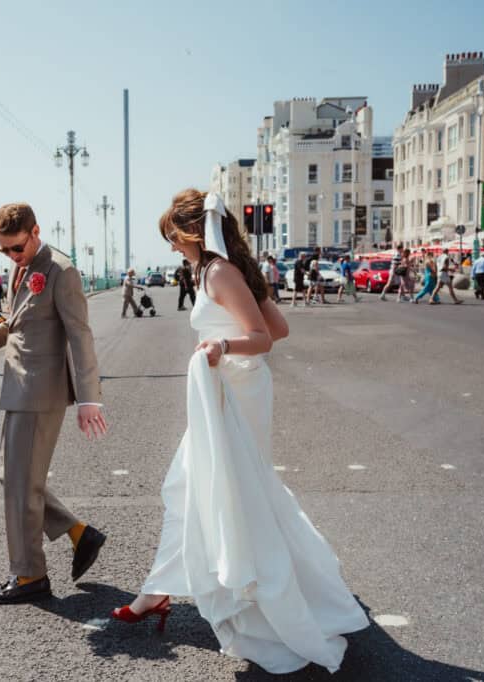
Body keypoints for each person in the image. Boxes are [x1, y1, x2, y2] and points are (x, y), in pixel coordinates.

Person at [113, 189, 367, 674]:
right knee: (195, 485)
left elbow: (267, 338)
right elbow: (281, 327)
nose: (171, 248)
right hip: (231, 392)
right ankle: (156, 591)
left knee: (224, 489)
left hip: (233, 394)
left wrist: (220, 344)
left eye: (173, 238)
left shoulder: (220, 272)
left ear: (193, 233)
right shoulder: (220, 269)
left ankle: (196, 592)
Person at [0, 202, 108, 605]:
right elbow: (17, 322)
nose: (12, 256)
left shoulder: (62, 271)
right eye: (5, 250)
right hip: (19, 385)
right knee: (11, 476)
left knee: (20, 481)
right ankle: (78, 534)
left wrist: (89, 399)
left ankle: (29, 575)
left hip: (42, 390)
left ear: (36, 231)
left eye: (17, 248)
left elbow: (80, 335)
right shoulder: (20, 268)